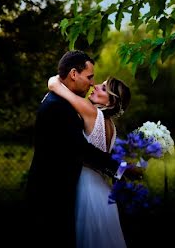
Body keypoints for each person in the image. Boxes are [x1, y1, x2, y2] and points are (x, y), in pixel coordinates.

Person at [25, 50, 121, 247]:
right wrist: (122, 169)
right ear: (74, 74)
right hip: (50, 194)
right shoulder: (58, 106)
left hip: (65, 191)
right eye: (90, 77)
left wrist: (54, 82)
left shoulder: (62, 101)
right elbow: (81, 150)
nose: (92, 83)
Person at [46, 73, 131, 248]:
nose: (96, 85)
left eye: (104, 88)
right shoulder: (112, 128)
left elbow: (54, 86)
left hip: (86, 189)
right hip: (103, 191)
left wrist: (58, 76)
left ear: (110, 102)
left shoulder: (90, 111)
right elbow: (106, 160)